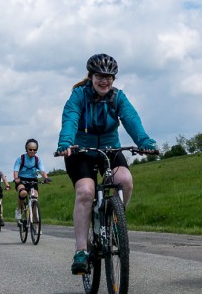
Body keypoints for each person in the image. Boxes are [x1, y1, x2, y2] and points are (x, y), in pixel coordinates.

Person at [57, 53, 158, 275]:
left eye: (110, 77)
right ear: (91, 76)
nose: (105, 81)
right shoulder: (78, 96)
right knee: (85, 191)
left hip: (110, 149)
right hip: (80, 151)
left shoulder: (117, 97)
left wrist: (144, 142)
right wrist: (65, 142)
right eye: (100, 76)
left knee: (125, 180)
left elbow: (131, 119)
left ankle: (115, 223)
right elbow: (70, 119)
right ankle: (81, 251)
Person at [13, 138, 51, 228]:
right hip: (21, 180)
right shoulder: (20, 159)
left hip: (33, 181)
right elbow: (15, 171)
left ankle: (35, 219)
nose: (32, 151)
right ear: (26, 149)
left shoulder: (38, 160)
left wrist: (46, 178)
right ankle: (19, 209)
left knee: (34, 198)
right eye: (30, 149)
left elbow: (42, 171)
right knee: (23, 193)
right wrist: (16, 178)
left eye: (35, 150)